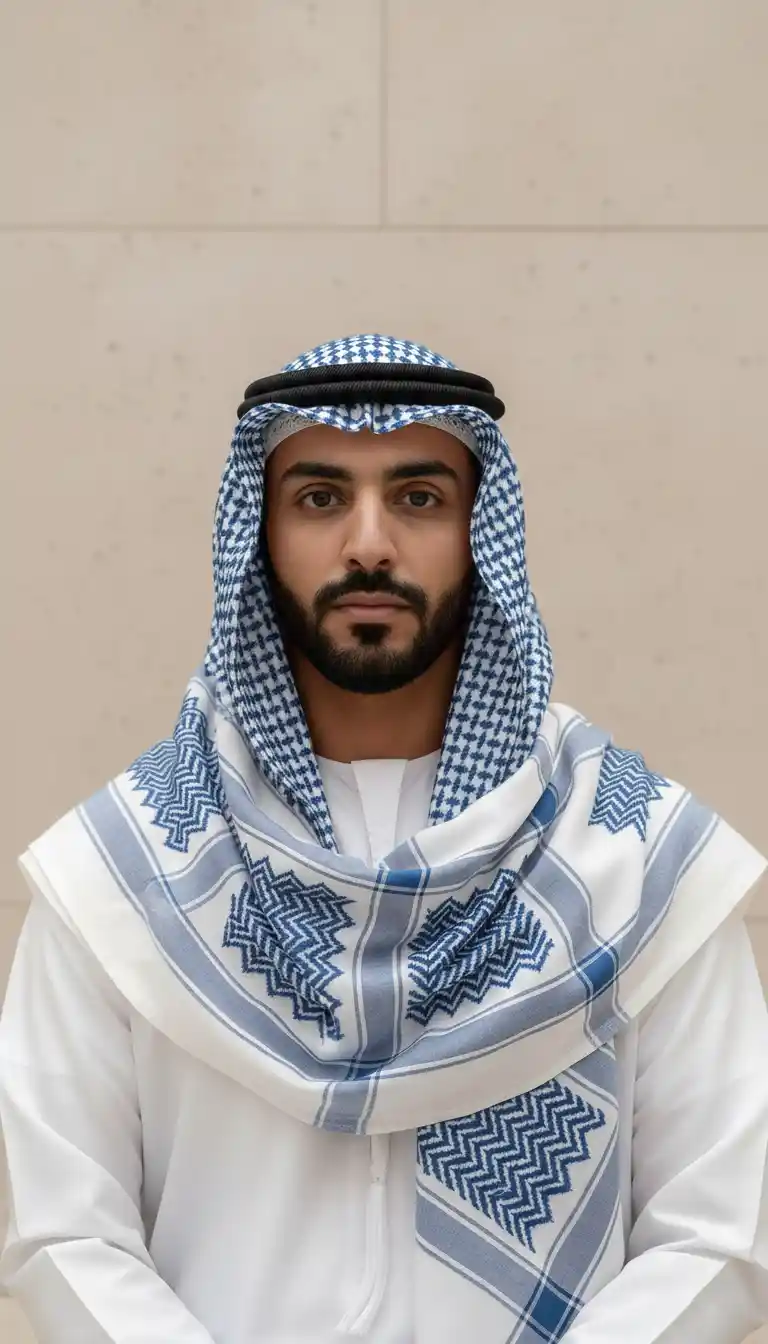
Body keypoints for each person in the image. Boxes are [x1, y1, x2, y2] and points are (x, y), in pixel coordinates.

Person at [0, 333, 766, 1344]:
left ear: (480, 531)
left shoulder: (634, 862)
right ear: (260, 534)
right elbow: (64, 1234)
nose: (369, 544)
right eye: (321, 498)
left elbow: (716, 1236)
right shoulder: (128, 870)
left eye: (419, 497)